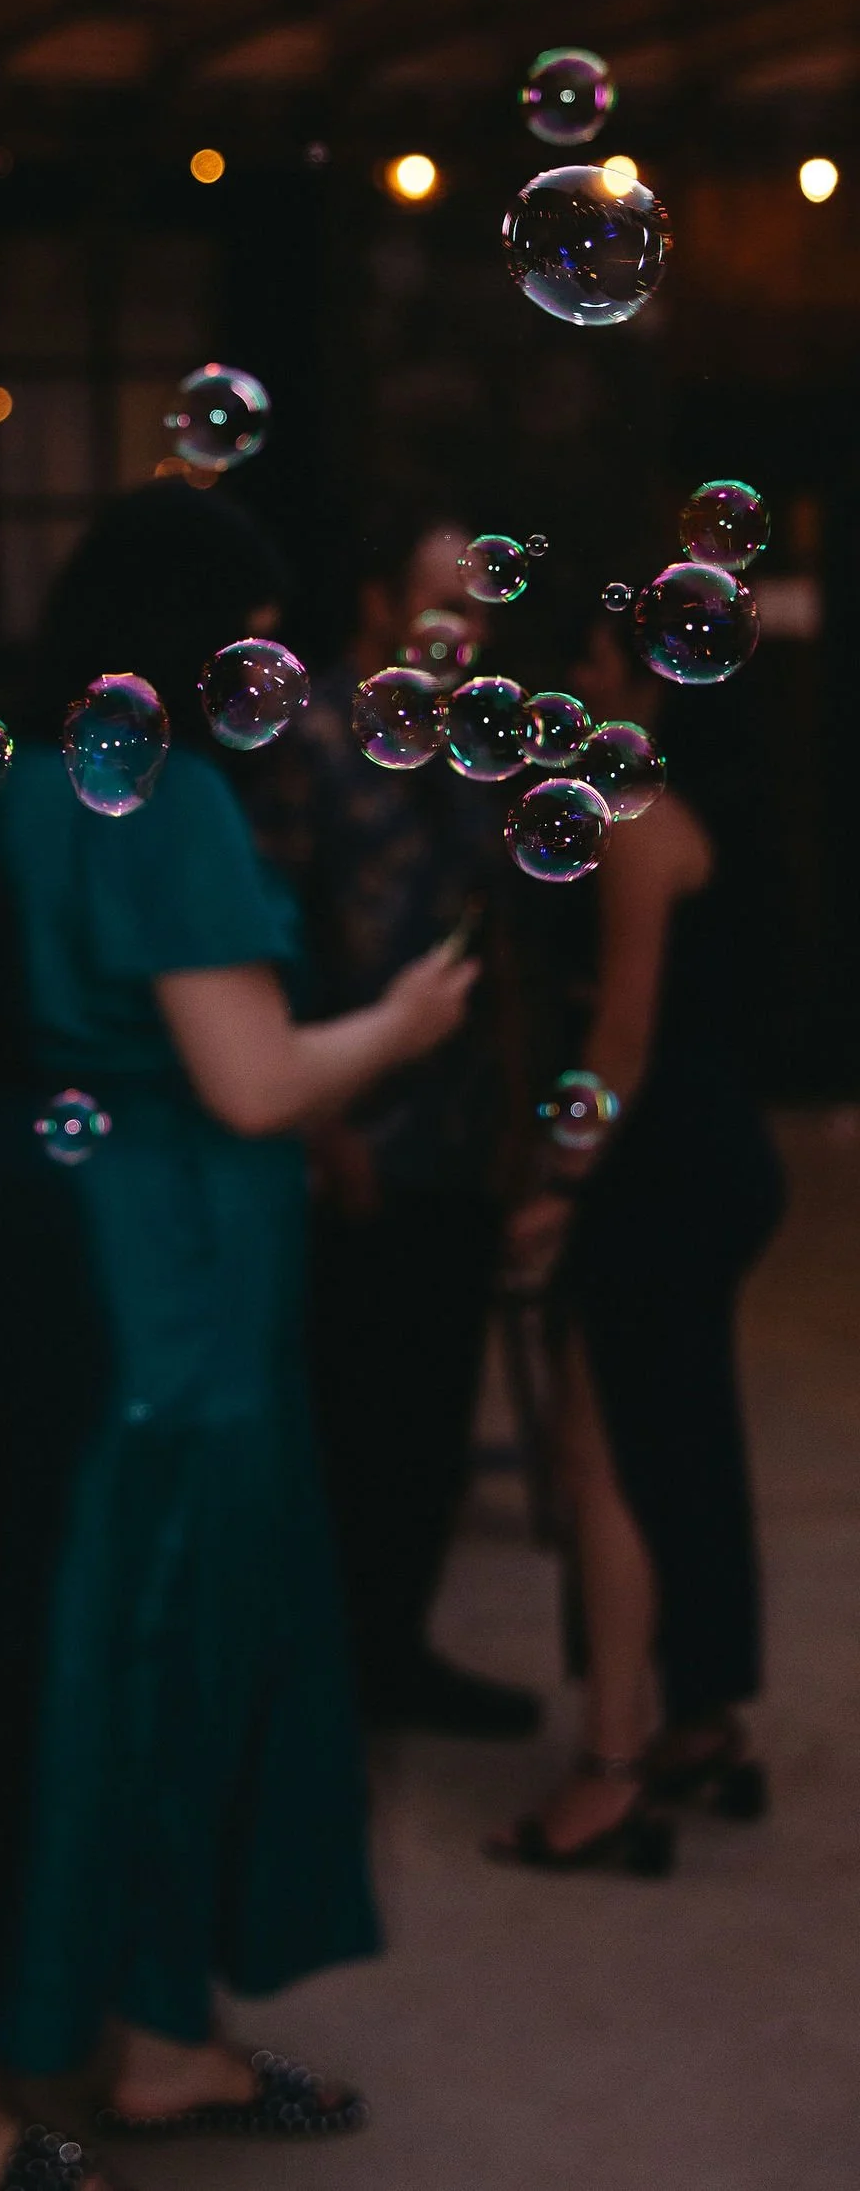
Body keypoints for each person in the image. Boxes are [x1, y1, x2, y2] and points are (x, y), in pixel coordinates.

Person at [0, 481, 475, 2191]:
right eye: (257, 627)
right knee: (132, 1641)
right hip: (159, 1284)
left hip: (13, 1231)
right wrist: (403, 1019)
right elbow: (251, 1076)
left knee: (26, 1604)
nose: (275, 657)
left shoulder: (10, 783)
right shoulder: (174, 804)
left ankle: (147, 2031)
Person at [489, 613, 785, 1875]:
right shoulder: (701, 808)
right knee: (686, 1432)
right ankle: (700, 1718)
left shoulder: (630, 825)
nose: (570, 682)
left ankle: (609, 1770)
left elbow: (617, 1036)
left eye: (591, 663)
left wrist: (559, 1181)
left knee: (598, 1448)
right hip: (715, 1148)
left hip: (657, 1160)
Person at [250, 511, 539, 1739]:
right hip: (343, 1115)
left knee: (428, 1412)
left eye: (478, 608)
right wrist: (320, 1130)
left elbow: (510, 929)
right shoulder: (311, 734)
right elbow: (273, 935)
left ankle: (396, 1656)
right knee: (339, 1409)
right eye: (440, 604)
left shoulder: (491, 736)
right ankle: (322, 1678)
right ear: (375, 603)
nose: (463, 631)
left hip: (464, 1125)